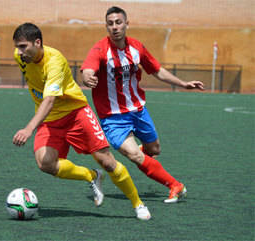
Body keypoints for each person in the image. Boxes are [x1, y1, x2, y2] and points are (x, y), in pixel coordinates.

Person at [12, 22, 151, 220]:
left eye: (23, 46)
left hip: (76, 113)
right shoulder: (20, 58)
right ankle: (92, 176)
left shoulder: (54, 61)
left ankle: (138, 204)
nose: (19, 51)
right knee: (46, 164)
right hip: (50, 120)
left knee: (107, 161)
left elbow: (50, 100)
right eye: (17, 46)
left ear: (37, 42)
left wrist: (28, 129)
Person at [81, 6, 204, 204]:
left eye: (118, 22)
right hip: (112, 118)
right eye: (110, 24)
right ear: (106, 26)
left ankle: (142, 157)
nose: (114, 27)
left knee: (154, 150)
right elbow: (88, 68)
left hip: (138, 111)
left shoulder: (137, 47)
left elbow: (156, 70)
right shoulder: (100, 49)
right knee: (135, 155)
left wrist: (183, 83)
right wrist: (88, 77)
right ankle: (175, 185)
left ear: (126, 24)